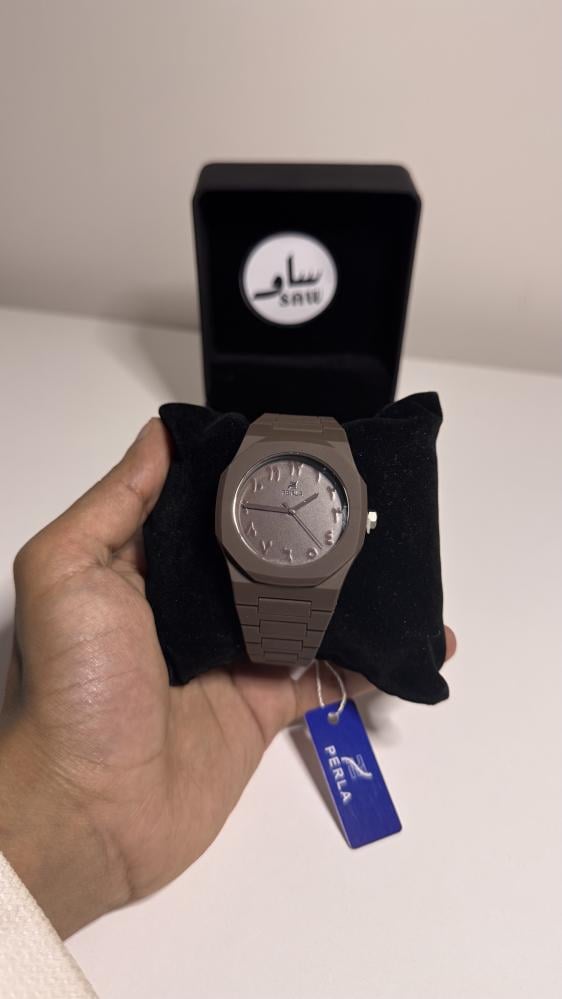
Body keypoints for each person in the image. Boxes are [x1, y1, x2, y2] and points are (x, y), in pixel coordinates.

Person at [0, 418, 456, 996]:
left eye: (304, 507)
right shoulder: (242, 522)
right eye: (278, 505)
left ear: (362, 519)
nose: (290, 510)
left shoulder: (322, 518)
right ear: (224, 512)